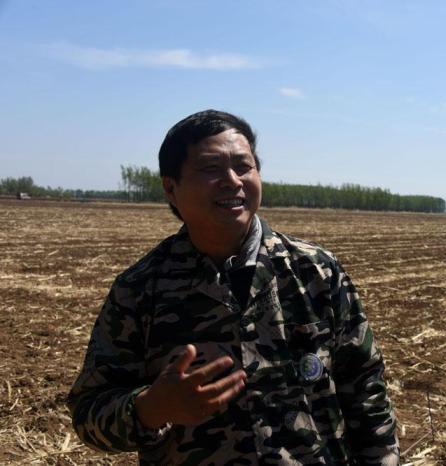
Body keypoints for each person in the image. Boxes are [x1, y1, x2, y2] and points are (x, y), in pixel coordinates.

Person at [67, 109, 399, 465]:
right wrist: (150, 408)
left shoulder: (316, 271)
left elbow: (366, 391)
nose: (232, 180)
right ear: (171, 188)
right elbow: (88, 412)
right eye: (210, 168)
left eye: (243, 166)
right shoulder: (139, 289)